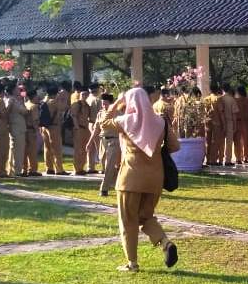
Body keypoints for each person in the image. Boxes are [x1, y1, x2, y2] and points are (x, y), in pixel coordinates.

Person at [100, 87, 179, 272]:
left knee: (128, 220)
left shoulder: (124, 121)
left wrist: (115, 105)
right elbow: (175, 146)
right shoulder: (160, 122)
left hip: (130, 178)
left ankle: (132, 263)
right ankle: (165, 243)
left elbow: (103, 123)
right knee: (145, 216)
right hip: (155, 179)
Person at [90, 93, 120, 197]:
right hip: (103, 141)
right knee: (105, 165)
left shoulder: (117, 113)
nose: (103, 106)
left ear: (110, 103)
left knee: (109, 165)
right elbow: (96, 129)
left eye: (105, 104)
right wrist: (89, 142)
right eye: (102, 104)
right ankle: (119, 184)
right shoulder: (100, 113)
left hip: (114, 141)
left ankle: (104, 189)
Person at [42, 84, 67, 175]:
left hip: (45, 127)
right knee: (57, 148)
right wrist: (63, 98)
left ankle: (49, 168)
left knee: (47, 148)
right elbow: (64, 107)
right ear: (55, 93)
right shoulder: (54, 101)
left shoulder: (45, 100)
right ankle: (59, 169)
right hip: (54, 126)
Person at [69, 83, 92, 175]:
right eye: (83, 94)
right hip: (79, 129)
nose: (84, 96)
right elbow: (73, 116)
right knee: (78, 149)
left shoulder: (86, 105)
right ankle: (77, 169)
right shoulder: (77, 104)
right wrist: (77, 127)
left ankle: (81, 168)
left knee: (84, 149)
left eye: (86, 94)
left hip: (85, 129)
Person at [8, 83, 29, 177]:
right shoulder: (13, 100)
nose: (19, 91)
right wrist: (23, 102)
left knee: (14, 149)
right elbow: (24, 111)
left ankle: (13, 169)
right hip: (17, 127)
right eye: (17, 89)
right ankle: (17, 171)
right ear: (13, 90)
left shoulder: (14, 100)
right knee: (18, 150)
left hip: (17, 127)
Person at [234, 86, 248, 163]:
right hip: (246, 122)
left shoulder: (235, 100)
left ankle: (238, 158)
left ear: (238, 92)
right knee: (246, 140)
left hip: (237, 122)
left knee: (237, 141)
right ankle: (245, 157)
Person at [23, 88, 42, 177]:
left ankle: (24, 169)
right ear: (34, 96)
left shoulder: (26, 104)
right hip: (31, 130)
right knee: (33, 152)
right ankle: (33, 169)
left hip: (25, 130)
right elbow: (35, 120)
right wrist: (37, 131)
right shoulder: (34, 106)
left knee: (25, 151)